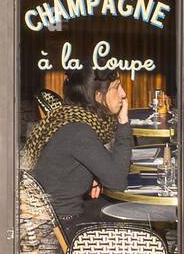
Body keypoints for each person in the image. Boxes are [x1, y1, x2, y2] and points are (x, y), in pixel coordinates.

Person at [25, 69, 132, 233]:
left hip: (56, 217)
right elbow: (117, 182)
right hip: (64, 226)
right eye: (117, 87)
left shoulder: (70, 119)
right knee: (133, 216)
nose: (123, 94)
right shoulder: (79, 131)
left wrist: (92, 176)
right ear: (98, 96)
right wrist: (123, 123)